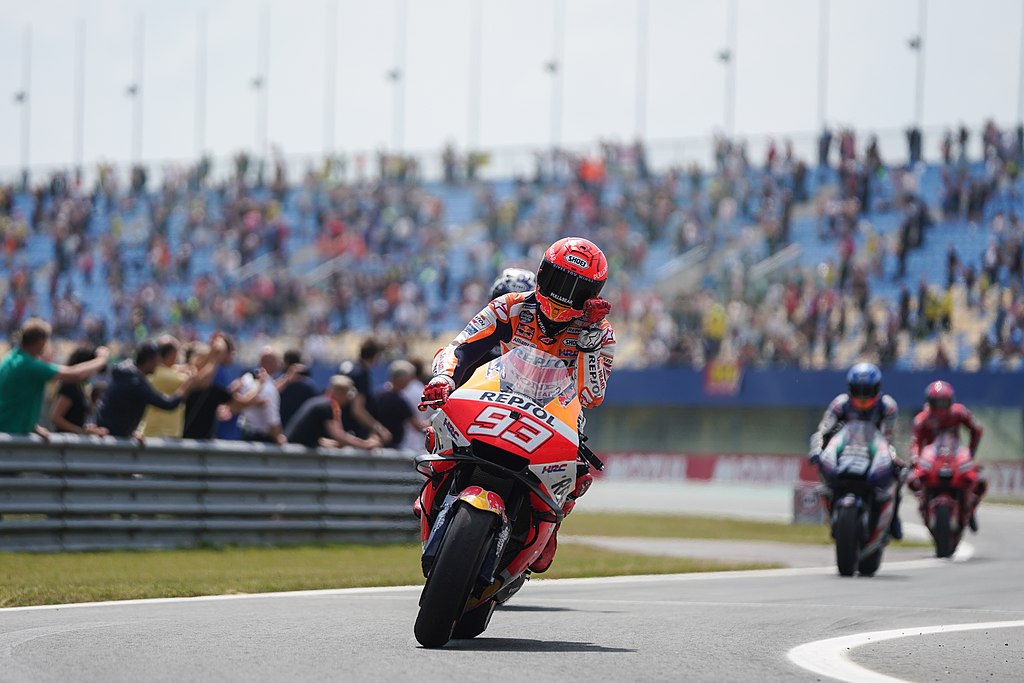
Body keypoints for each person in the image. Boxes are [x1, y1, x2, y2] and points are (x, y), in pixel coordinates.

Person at [419, 237, 616, 573]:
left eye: (576, 288)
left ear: (592, 295)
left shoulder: (602, 333)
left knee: (577, 475)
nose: (562, 296)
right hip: (499, 395)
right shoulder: (511, 306)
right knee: (438, 434)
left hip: (558, 415)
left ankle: (549, 524)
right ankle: (435, 494)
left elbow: (590, 395)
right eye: (557, 280)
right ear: (541, 273)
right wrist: (444, 378)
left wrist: (589, 338)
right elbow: (461, 345)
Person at [808, 362, 905, 540]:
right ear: (850, 388)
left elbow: (888, 436)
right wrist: (817, 449)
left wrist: (893, 457)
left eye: (867, 390)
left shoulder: (887, 407)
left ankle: (893, 520)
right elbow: (823, 429)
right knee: (823, 469)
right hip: (845, 451)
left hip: (873, 452)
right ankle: (831, 509)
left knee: (898, 476)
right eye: (858, 390)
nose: (862, 396)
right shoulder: (840, 404)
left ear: (877, 389)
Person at [0, 318, 109, 439]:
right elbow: (75, 374)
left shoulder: (10, 359)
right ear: (41, 341)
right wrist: (101, 359)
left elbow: (15, 398)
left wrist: (33, 427)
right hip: (11, 435)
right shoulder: (29, 365)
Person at [909, 381, 986, 531]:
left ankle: (970, 510)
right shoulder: (922, 419)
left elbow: (977, 430)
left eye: (944, 403)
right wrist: (915, 459)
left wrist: (971, 452)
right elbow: (916, 441)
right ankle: (923, 501)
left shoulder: (960, 412)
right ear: (929, 402)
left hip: (954, 457)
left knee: (978, 480)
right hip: (931, 459)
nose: (940, 408)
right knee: (912, 479)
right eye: (936, 403)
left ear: (951, 401)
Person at [95, 340, 195, 438]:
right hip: (110, 438)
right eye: (157, 361)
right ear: (148, 361)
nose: (158, 365)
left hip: (111, 435)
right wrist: (187, 384)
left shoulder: (127, 373)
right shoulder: (135, 382)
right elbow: (168, 404)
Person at [284, 375, 383, 450]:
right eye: (347, 394)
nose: (348, 399)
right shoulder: (327, 405)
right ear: (340, 392)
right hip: (294, 451)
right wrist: (365, 445)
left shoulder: (320, 402)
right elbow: (339, 436)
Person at [338, 338, 392, 443]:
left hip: (337, 423)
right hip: (349, 429)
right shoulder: (361, 374)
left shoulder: (349, 367)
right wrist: (379, 429)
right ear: (376, 355)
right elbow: (357, 410)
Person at [49, 345, 108, 436]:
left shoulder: (80, 387)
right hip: (65, 442)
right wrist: (80, 431)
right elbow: (56, 417)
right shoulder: (70, 386)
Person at [370, 360, 429, 450]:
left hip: (377, 444)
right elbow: (415, 425)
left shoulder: (377, 395)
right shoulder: (399, 400)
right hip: (393, 447)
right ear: (401, 379)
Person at [140, 336, 188, 438]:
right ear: (172, 355)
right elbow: (196, 380)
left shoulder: (153, 371)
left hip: (150, 432)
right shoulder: (169, 377)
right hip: (164, 435)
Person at [236, 347, 286, 445]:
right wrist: (278, 437)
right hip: (261, 439)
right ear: (272, 363)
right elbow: (272, 419)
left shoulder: (247, 380)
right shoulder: (268, 387)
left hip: (244, 434)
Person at [276, 348, 318, 429]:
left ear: (286, 362)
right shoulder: (310, 384)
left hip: (284, 427)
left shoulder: (282, 382)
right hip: (303, 427)